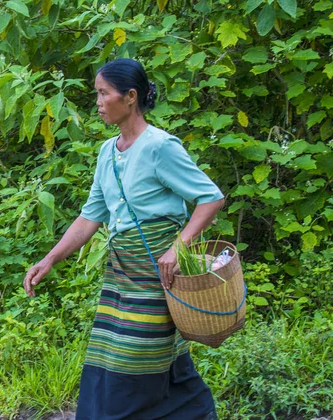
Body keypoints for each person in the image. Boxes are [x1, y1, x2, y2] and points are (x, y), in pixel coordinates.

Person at [23, 58, 224, 419]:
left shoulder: (160, 147)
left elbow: (211, 198)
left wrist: (178, 248)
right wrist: (49, 259)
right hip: (121, 277)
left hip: (157, 275)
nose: (98, 102)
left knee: (135, 362)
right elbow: (90, 217)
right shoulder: (106, 153)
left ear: (130, 97)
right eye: (97, 94)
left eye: (104, 93)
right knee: (113, 360)